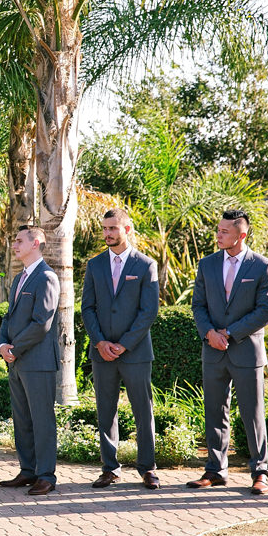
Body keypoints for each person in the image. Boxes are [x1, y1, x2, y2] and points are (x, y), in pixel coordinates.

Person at [189, 209, 268, 495]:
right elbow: (198, 306)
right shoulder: (207, 265)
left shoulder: (263, 266)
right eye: (218, 230)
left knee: (252, 414)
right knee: (214, 412)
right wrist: (209, 333)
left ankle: (260, 472)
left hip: (246, 352)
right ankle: (215, 471)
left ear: (242, 235)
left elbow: (266, 310)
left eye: (224, 232)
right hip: (213, 351)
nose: (218, 235)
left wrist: (228, 333)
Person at [81, 208, 161, 490]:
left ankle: (148, 468)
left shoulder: (145, 265)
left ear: (127, 229)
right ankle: (109, 468)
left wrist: (124, 344)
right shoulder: (95, 265)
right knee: (105, 411)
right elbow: (87, 308)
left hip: (136, 353)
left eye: (113, 228)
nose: (107, 233)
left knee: (143, 410)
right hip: (101, 353)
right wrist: (100, 342)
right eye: (104, 228)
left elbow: (149, 311)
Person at [0, 226, 60, 496]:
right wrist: (2, 345)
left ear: (36, 243)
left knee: (42, 420)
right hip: (17, 360)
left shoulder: (47, 277)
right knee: (22, 418)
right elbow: (8, 317)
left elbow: (41, 323)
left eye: (19, 240)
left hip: (38, 362)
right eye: (14, 240)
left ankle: (46, 475)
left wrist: (14, 348)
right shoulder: (20, 277)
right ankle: (28, 470)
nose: (14, 245)